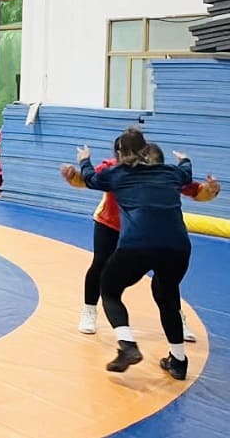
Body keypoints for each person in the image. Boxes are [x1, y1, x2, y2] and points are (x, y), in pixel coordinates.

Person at [61, 134, 219, 339]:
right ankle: (89, 309)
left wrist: (210, 191)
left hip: (145, 231)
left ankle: (176, 318)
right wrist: (73, 175)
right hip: (111, 224)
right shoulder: (113, 168)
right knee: (100, 264)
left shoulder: (162, 171)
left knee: (166, 279)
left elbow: (195, 190)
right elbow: (88, 180)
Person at [77, 129, 194, 380]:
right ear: (147, 150)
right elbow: (187, 173)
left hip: (138, 245)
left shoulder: (117, 174)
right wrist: (184, 158)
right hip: (178, 247)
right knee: (168, 296)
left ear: (119, 153)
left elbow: (89, 178)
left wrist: (84, 159)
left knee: (109, 289)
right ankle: (179, 361)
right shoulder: (171, 172)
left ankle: (127, 344)